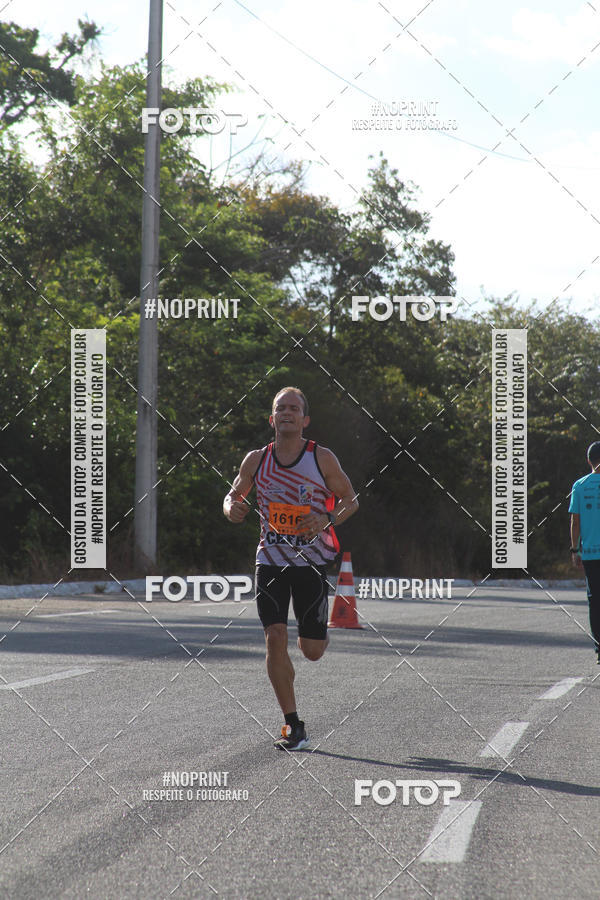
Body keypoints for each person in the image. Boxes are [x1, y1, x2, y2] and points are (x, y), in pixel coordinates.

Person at [223, 387, 359, 749]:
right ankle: (292, 724)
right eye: (280, 408)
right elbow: (233, 495)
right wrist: (230, 508)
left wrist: (327, 518)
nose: (287, 413)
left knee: (312, 650)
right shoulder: (256, 460)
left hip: (311, 563)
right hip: (270, 561)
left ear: (305, 420)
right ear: (272, 419)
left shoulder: (321, 458)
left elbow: (351, 501)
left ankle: (309, 642)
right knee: (274, 637)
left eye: (294, 408)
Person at [569, 441, 600, 664]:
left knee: (595, 599)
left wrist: (574, 549)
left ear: (589, 460)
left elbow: (575, 521)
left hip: (590, 553)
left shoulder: (579, 486)